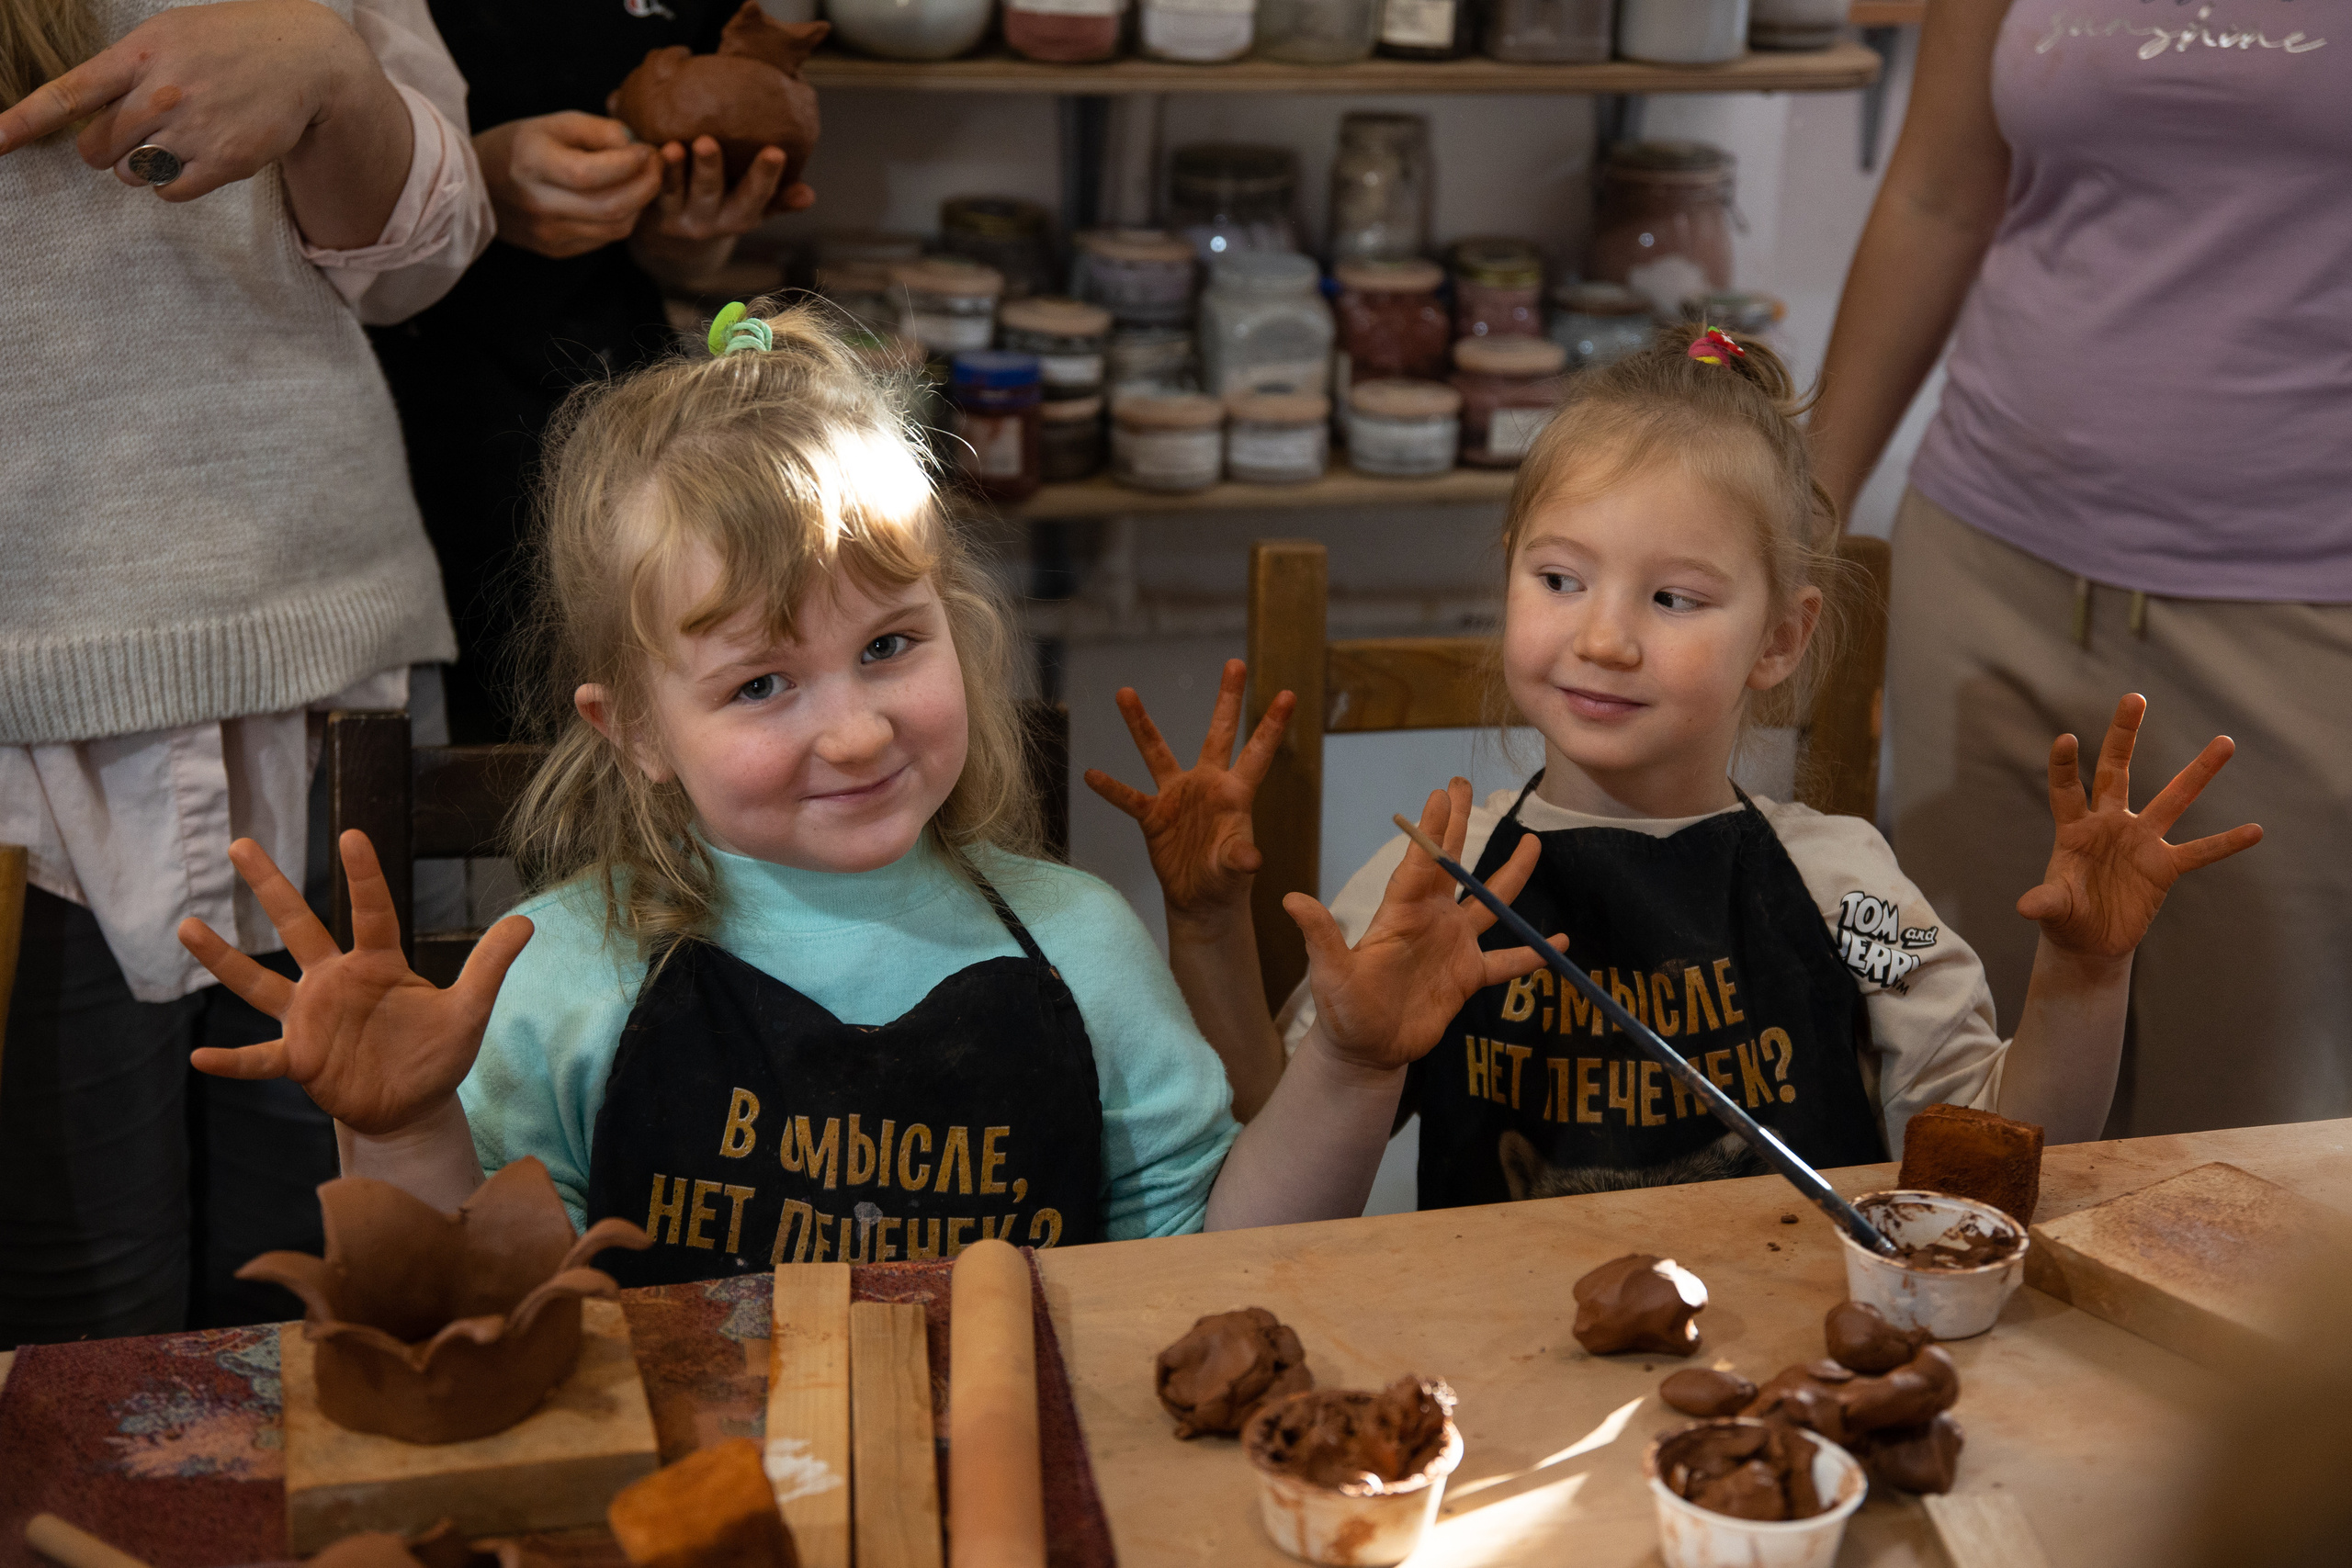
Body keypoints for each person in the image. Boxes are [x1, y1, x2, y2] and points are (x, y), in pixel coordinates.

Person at [175, 304, 1568, 1269]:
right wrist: (403, 1130)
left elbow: (1216, 1273)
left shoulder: (1081, 945)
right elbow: (476, 1310)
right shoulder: (571, 970)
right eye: (762, 684)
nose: (853, 732)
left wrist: (1350, 1064)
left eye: (890, 646)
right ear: (637, 729)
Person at [1092, 330, 2260, 1210]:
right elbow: (1273, 1171)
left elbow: (1989, 1176)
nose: (1604, 637)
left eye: (1672, 597)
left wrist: (2083, 975)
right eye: (1559, 580)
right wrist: (1205, 929)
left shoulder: (1842, 887)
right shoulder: (1434, 887)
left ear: (1781, 640)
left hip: (1794, 1374)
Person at [0, 0, 492, 1345]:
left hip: (325, 677)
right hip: (21, 739)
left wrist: (333, 77)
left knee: (357, 1304)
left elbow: (425, 254)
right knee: (77, 1343)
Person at [1807, 0, 2352, 1136]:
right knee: (1970, 1115)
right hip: (1983, 573)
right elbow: (1936, 194)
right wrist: (1799, 515)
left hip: (2305, 621)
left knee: (2247, 1158)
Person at [372, 0, 817, 744]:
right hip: (380, 424)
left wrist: (688, 232)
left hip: (592, 416)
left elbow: (682, 260)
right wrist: (461, 185)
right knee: (413, 794)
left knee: (627, 753)